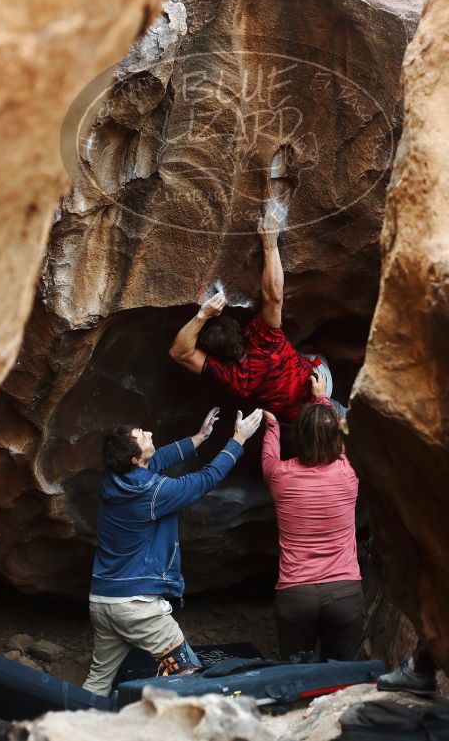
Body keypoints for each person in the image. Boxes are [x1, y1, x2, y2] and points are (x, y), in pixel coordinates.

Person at [83, 405, 263, 696]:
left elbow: (158, 458)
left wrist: (199, 437)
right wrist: (238, 440)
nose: (150, 433)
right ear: (135, 458)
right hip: (135, 607)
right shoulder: (152, 493)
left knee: (98, 681)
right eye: (143, 436)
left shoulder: (113, 479)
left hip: (102, 602)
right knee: (187, 674)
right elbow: (205, 479)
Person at [169, 208, 346, 422]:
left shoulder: (230, 376)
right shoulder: (264, 340)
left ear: (214, 355)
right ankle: (354, 355)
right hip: (320, 390)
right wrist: (270, 244)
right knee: (314, 343)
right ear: (238, 325)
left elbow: (180, 353)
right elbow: (274, 296)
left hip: (293, 420)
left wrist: (201, 317)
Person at [261, 372, 364, 661]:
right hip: (344, 592)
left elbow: (269, 454)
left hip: (296, 594)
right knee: (342, 676)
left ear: (298, 435)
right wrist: (322, 397)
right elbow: (341, 438)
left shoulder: (279, 475)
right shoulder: (349, 470)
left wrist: (271, 423)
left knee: (295, 674)